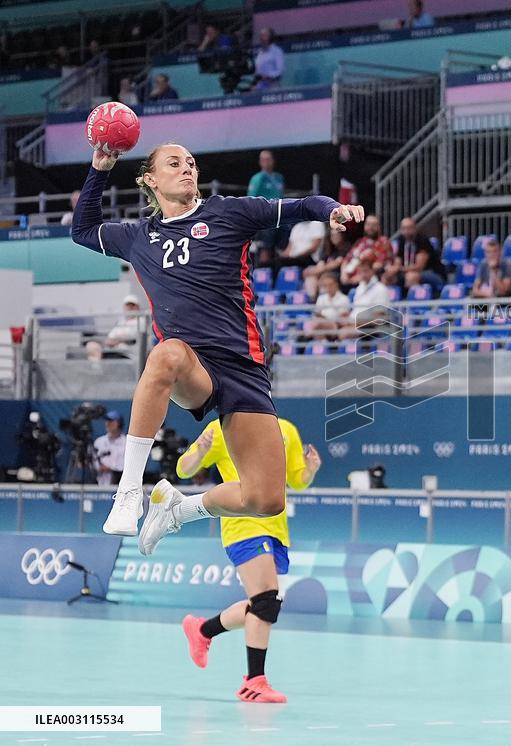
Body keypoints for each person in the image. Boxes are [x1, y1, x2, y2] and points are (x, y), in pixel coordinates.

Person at [70, 142, 363, 554]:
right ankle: (129, 491)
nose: (187, 168)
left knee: (265, 498)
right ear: (150, 180)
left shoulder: (229, 213)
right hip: (193, 366)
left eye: (191, 162)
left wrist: (332, 209)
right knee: (167, 354)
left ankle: (176, 511)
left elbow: (301, 206)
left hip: (244, 368)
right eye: (174, 164)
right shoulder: (138, 237)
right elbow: (82, 230)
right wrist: (99, 169)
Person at [178, 415, 321, 703]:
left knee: (265, 606)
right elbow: (184, 469)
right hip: (242, 523)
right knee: (266, 601)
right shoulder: (222, 426)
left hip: (277, 527)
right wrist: (201, 452)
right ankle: (254, 682)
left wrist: (311, 470)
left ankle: (202, 630)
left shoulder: (287, 429)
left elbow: (296, 481)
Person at [385, 217, 446, 296]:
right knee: (387, 277)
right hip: (408, 272)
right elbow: (398, 260)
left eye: (409, 228)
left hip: (433, 274)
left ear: (415, 228)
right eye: (404, 228)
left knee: (411, 277)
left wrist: (399, 269)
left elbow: (419, 267)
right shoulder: (401, 240)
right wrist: (392, 269)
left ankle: (414, 305)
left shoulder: (422, 240)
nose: (406, 231)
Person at [248, 150, 287, 264]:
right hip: (264, 217)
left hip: (279, 215)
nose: (266, 162)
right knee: (266, 246)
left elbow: (281, 196)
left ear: (273, 161)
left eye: (268, 159)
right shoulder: (257, 178)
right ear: (260, 162)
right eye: (263, 160)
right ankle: (263, 272)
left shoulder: (279, 177)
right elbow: (251, 198)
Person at [339, 258, 391, 339]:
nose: (363, 274)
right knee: (329, 327)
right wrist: (348, 317)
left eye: (365, 271)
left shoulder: (380, 289)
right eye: (360, 272)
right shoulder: (360, 288)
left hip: (370, 328)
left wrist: (356, 323)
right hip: (354, 323)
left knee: (343, 333)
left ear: (372, 271)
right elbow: (356, 310)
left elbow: (378, 319)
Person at [85, 294, 143, 362]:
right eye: (127, 305)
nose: (130, 308)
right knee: (92, 345)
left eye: (132, 305)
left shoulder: (141, 321)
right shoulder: (121, 322)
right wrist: (115, 341)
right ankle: (95, 369)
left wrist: (116, 341)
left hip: (128, 355)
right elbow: (110, 338)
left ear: (138, 307)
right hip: (114, 351)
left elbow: (131, 337)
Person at [340, 215, 393, 287]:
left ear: (379, 227)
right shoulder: (360, 242)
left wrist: (360, 277)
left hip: (367, 280)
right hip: (349, 278)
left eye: (374, 225)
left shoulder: (384, 242)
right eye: (368, 224)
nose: (370, 227)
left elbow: (378, 265)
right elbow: (346, 259)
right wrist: (343, 273)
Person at [302, 230, 350, 299]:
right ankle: (312, 300)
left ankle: (325, 303)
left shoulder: (346, 247)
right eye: (332, 235)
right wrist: (314, 271)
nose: (335, 237)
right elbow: (321, 263)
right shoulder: (328, 248)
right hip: (324, 272)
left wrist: (315, 271)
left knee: (324, 277)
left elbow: (336, 263)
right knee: (311, 277)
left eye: (337, 235)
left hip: (338, 273)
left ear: (342, 235)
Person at [93, 410, 126, 487]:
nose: (108, 424)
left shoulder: (126, 442)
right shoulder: (99, 441)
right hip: (100, 483)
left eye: (111, 421)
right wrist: (99, 467)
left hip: (120, 484)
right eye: (107, 421)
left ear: (119, 423)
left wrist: (111, 468)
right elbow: (94, 462)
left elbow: (125, 466)